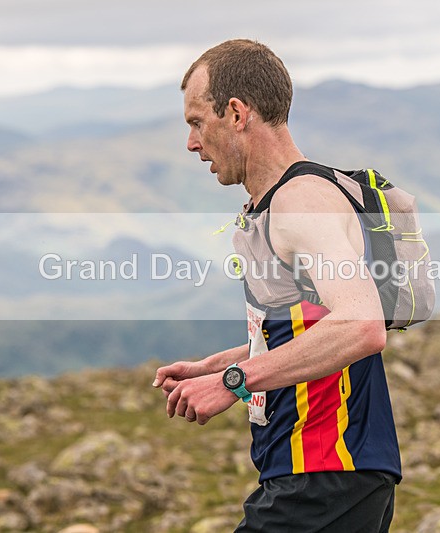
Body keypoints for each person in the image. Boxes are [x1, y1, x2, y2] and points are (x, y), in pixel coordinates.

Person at [153, 39, 401, 532]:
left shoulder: (301, 201)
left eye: (196, 123)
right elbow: (311, 324)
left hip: (324, 476)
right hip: (319, 476)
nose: (191, 143)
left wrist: (234, 383)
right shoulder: (284, 201)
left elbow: (363, 324)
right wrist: (224, 362)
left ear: (237, 112)